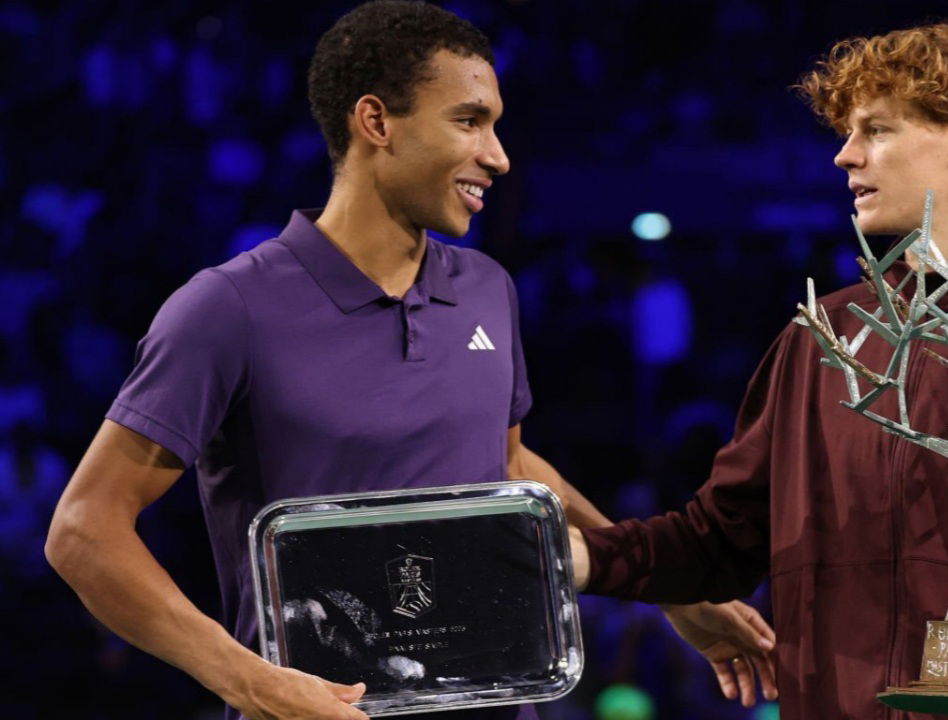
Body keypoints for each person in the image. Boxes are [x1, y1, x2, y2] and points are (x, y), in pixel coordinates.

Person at [44, 3, 775, 719]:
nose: (498, 154)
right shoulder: (228, 309)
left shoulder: (488, 288)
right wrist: (251, 682)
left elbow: (509, 467)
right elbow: (85, 529)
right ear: (376, 122)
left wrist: (663, 585)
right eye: (469, 121)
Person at [571, 22, 948, 719]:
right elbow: (720, 540)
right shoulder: (820, 338)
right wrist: (581, 560)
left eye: (877, 131)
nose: (844, 156)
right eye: (847, 132)